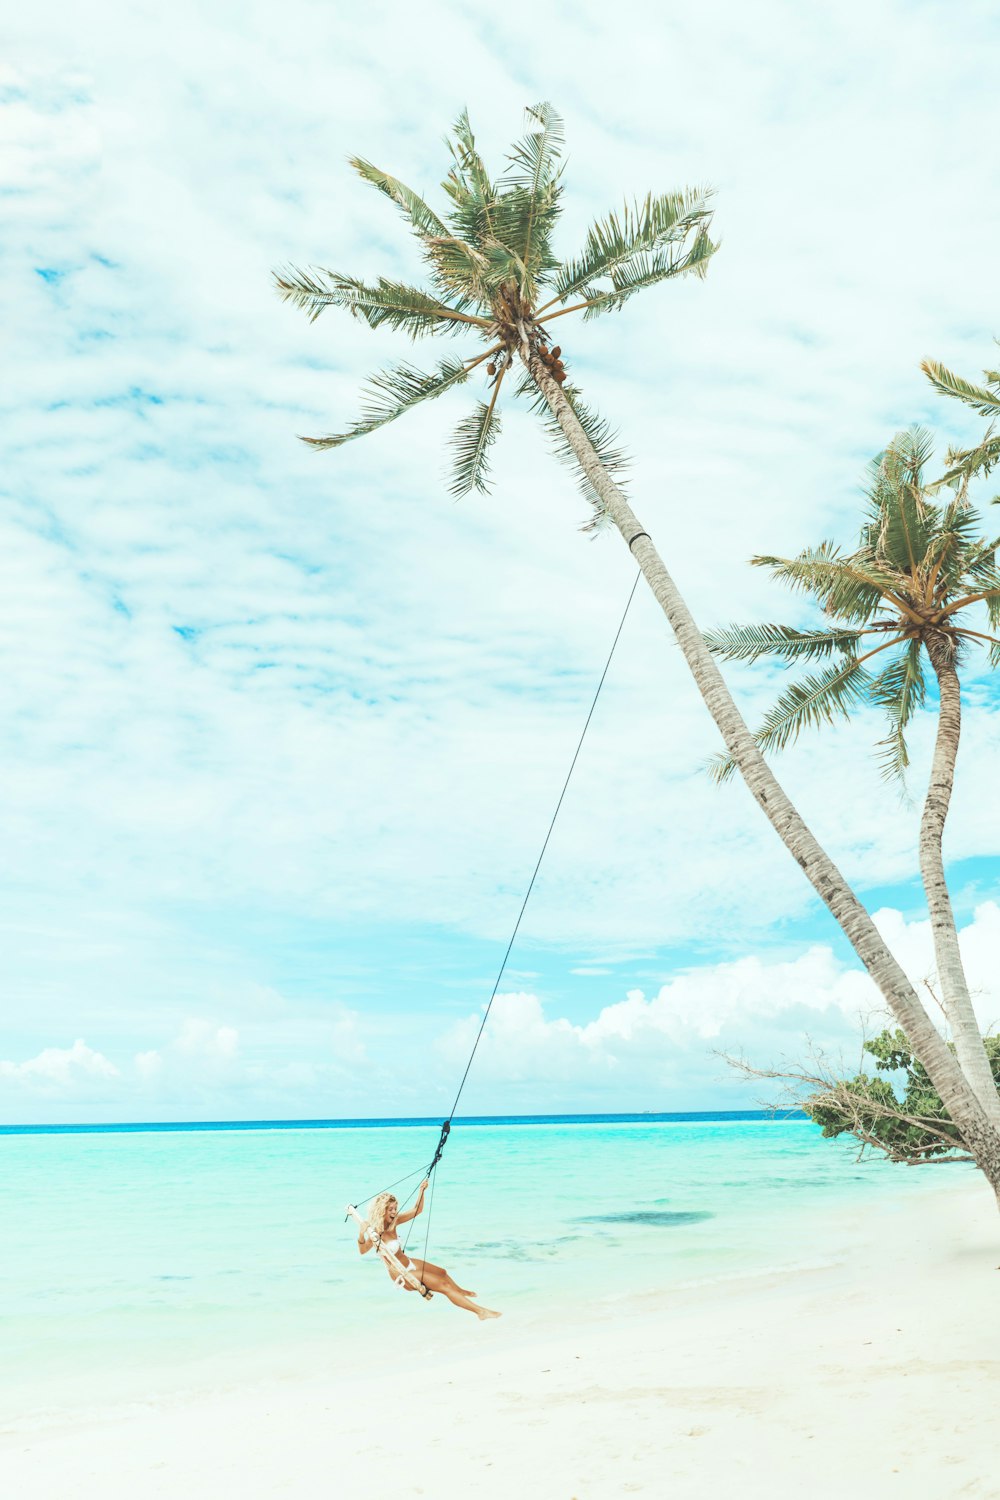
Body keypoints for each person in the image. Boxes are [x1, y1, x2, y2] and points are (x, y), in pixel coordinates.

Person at [357, 1180, 501, 1321]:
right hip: (403, 1274)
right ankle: (481, 1312)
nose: (394, 1212)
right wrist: (361, 1234)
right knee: (444, 1287)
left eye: (395, 1208)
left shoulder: (394, 1222)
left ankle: (460, 1291)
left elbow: (417, 1210)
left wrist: (422, 1191)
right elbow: (363, 1250)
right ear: (382, 1210)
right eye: (391, 1209)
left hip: (408, 1262)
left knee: (442, 1272)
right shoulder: (376, 1233)